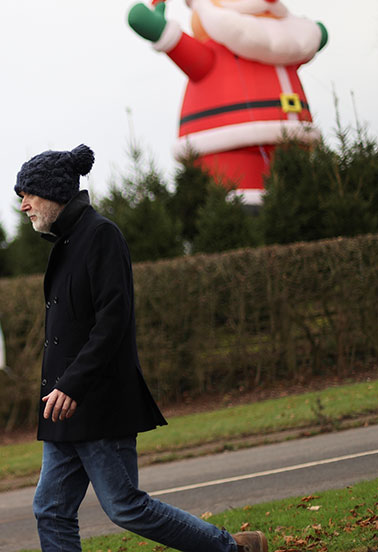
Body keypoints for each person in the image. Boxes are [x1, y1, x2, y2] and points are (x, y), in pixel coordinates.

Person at [14, 144, 267, 552]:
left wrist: (73, 386)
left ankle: (233, 549)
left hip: (97, 403)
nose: (23, 205)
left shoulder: (101, 236)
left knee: (125, 507)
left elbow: (113, 322)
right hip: (64, 408)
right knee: (51, 509)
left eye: (28, 193)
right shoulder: (63, 245)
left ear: (56, 192)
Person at [128, 0, 328, 206]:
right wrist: (160, 31)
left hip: (296, 141)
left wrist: (311, 38)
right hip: (226, 145)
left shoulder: (283, 45)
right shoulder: (214, 54)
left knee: (302, 201)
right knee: (243, 200)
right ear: (203, 1)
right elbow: (187, 54)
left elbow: (301, 44)